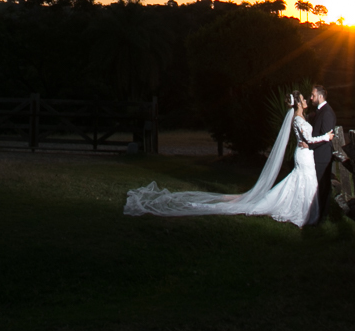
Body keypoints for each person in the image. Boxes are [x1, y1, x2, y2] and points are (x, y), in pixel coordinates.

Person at [123, 92, 319, 226]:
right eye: (303, 99)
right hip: (304, 154)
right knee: (298, 180)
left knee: (297, 181)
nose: (305, 101)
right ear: (297, 103)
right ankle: (296, 208)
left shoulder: (299, 118)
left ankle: (300, 207)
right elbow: (307, 138)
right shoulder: (299, 119)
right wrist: (325, 138)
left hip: (304, 153)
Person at [305, 84, 337, 222]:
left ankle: (321, 217)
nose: (311, 98)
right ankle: (318, 214)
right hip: (318, 155)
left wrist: (309, 145)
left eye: (313, 95)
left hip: (323, 156)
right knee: (319, 187)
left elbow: (326, 138)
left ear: (320, 96)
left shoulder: (327, 113)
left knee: (323, 187)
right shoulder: (320, 111)